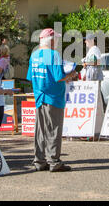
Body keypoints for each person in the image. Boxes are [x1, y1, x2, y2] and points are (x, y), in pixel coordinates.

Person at [26, 28, 78, 172]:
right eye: (56, 39)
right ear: (51, 40)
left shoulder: (34, 55)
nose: (57, 42)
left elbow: (31, 76)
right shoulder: (54, 55)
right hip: (53, 97)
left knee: (40, 130)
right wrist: (71, 74)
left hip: (39, 96)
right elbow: (58, 76)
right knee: (54, 129)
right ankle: (54, 161)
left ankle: (39, 160)